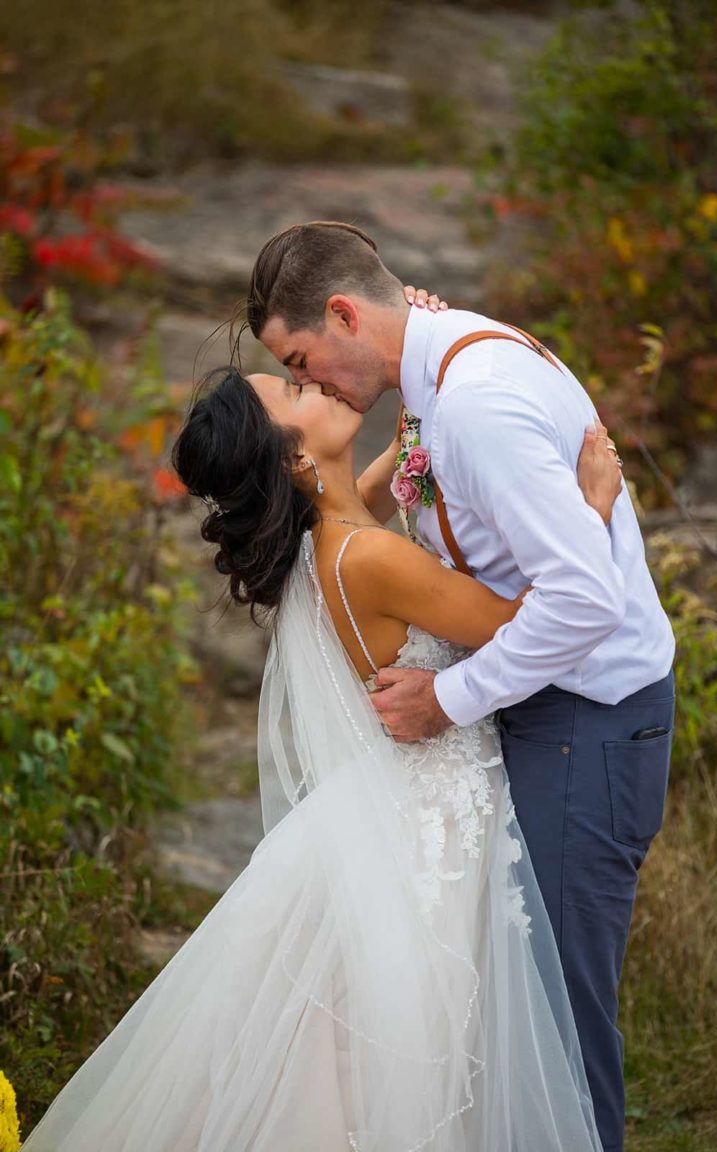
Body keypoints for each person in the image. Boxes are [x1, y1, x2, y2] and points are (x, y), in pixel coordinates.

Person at [19, 340, 621, 1150]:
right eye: (294, 389)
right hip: (434, 831)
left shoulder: (324, 540)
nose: (314, 382)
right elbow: (527, 625)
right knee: (416, 1063)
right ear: (296, 456)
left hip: (394, 807)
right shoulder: (369, 557)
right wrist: (590, 512)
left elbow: (373, 482)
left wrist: (413, 370)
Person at [247, 221, 677, 1152]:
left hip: (588, 721)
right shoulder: (432, 384)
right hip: (540, 712)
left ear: (344, 313)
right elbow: (423, 498)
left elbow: (582, 602)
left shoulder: (473, 399)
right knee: (526, 1014)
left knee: (561, 1022)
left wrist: (446, 699)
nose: (312, 383)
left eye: (301, 360)